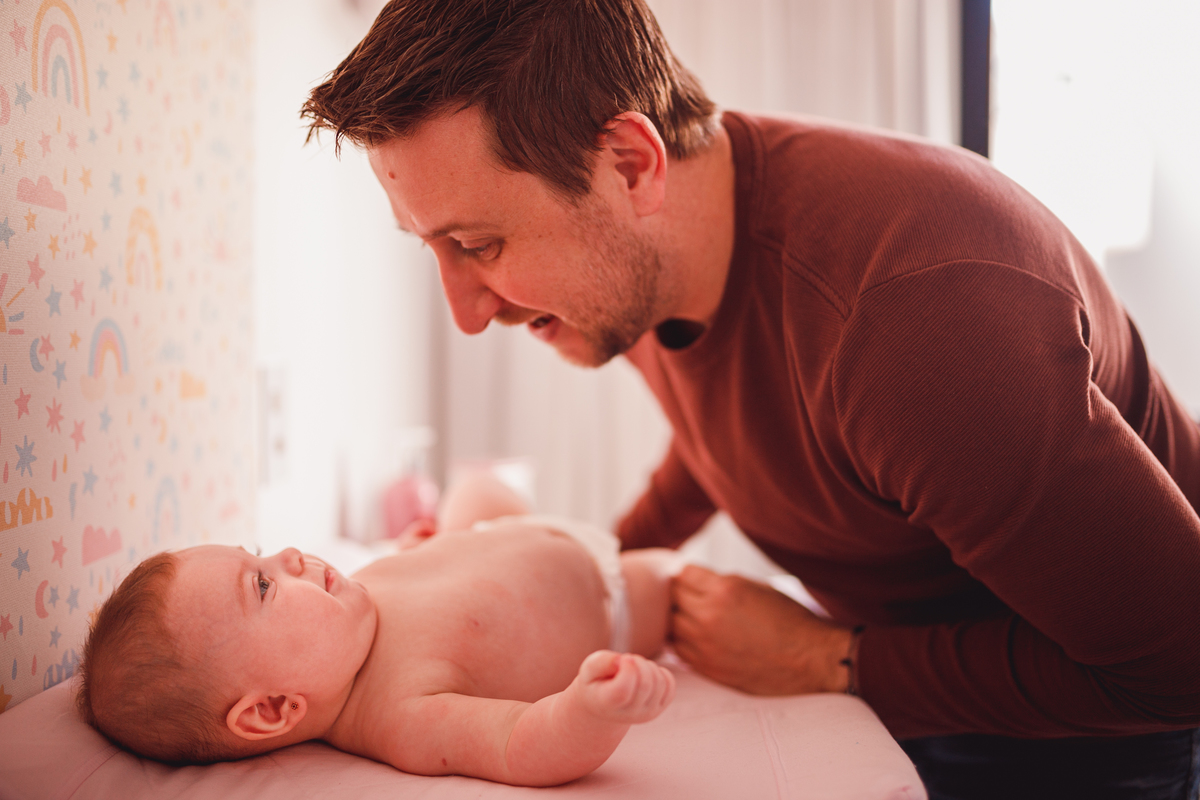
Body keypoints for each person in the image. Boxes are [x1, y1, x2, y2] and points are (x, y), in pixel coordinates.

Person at [299, 1, 1200, 797]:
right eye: (433, 248)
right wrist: (579, 570)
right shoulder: (652, 255)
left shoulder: (919, 323)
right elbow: (735, 418)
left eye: (480, 243)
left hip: (1097, 736)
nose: (464, 313)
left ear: (629, 162)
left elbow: (1178, 666)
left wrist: (830, 661)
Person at [76, 471, 677, 786]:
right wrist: (592, 711)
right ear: (274, 709)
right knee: (674, 582)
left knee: (473, 490)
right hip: (604, 596)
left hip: (497, 536)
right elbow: (518, 743)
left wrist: (431, 547)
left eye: (256, 554)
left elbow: (427, 577)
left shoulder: (343, 614)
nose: (287, 554)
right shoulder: (401, 713)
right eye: (261, 584)